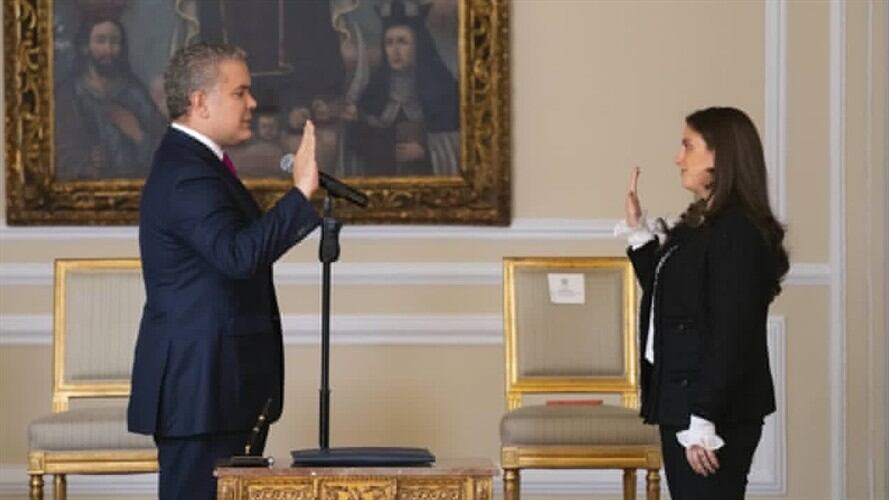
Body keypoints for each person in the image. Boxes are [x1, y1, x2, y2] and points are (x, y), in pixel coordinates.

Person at [127, 43, 321, 500]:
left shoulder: (198, 164)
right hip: (201, 389)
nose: (252, 103)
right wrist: (300, 193)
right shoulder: (187, 172)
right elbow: (238, 256)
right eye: (240, 92)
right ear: (200, 101)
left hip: (218, 389)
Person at [615, 107, 789, 499]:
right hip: (684, 402)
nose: (678, 158)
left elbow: (733, 333)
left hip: (711, 409)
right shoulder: (703, 223)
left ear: (720, 156)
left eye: (688, 146)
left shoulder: (738, 233)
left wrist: (704, 418)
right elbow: (674, 301)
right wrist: (638, 232)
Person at [349, 0, 459, 177]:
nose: (395, 50)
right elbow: (358, 146)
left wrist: (426, 151)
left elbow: (460, 142)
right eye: (389, 43)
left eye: (402, 42)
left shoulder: (443, 90)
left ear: (418, 45)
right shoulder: (373, 94)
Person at [54, 18, 166, 179]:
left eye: (115, 42)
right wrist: (86, 160)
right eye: (101, 41)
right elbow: (57, 154)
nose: (109, 50)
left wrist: (137, 135)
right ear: (85, 47)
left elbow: (168, 150)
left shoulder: (135, 94)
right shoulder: (69, 94)